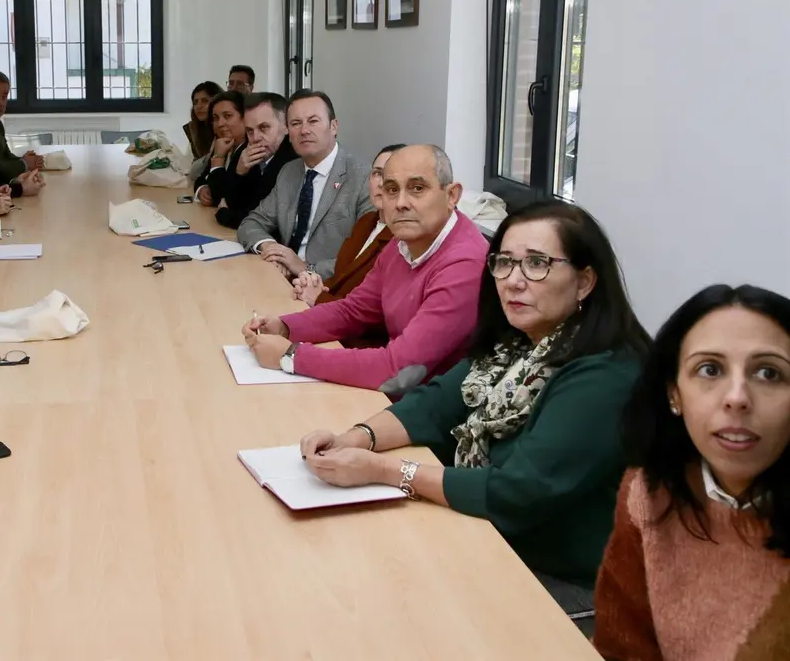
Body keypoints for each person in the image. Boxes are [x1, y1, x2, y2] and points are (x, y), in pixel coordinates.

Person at [296, 200, 651, 618]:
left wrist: (385, 471)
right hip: (495, 536)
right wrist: (355, 438)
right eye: (505, 263)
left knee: (389, 603)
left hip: (570, 581)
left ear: (585, 281)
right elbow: (434, 403)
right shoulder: (519, 343)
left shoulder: (606, 375)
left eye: (537, 264)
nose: (513, 281)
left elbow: (517, 492)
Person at [593, 285, 790, 660]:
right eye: (709, 369)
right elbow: (621, 647)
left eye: (769, 373)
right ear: (674, 394)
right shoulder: (649, 492)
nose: (737, 398)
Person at [243, 145, 486, 395]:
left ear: (452, 195)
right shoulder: (403, 241)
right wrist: (285, 327)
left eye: (417, 188)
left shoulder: (465, 265)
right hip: (398, 396)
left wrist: (291, 356)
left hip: (434, 407)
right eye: (391, 190)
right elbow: (354, 310)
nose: (401, 203)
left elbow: (398, 372)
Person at [237, 89, 372, 279]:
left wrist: (305, 268)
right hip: (282, 277)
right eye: (296, 123)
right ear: (288, 132)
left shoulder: (363, 177)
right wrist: (272, 249)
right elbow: (251, 222)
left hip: (329, 287)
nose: (304, 130)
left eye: (313, 121)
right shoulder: (289, 172)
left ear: (334, 126)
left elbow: (367, 256)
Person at [292, 144, 405, 326]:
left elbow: (373, 315)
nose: (381, 183)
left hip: (353, 334)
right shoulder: (366, 222)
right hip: (329, 317)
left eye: (390, 175)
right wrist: (315, 284)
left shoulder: (403, 239)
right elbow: (342, 278)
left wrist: (319, 298)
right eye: (377, 173)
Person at [212, 92, 299, 230]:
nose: (256, 138)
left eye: (264, 127)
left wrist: (224, 214)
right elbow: (229, 201)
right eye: (250, 131)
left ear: (286, 126)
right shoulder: (248, 152)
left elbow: (265, 222)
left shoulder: (294, 160)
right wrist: (240, 173)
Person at [0, 70, 46, 186]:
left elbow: (6, 156)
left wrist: (24, 160)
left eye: (4, 96)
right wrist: (24, 164)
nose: (1, 103)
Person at [194, 91, 246, 207]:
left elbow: (221, 197)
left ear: (245, 117)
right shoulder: (222, 144)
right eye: (215, 118)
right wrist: (202, 189)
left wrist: (218, 158)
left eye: (227, 116)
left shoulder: (248, 151)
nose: (220, 123)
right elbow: (202, 178)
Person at [183, 81, 222, 159]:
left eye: (205, 101)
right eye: (195, 102)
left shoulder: (224, 129)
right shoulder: (194, 129)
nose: (199, 106)